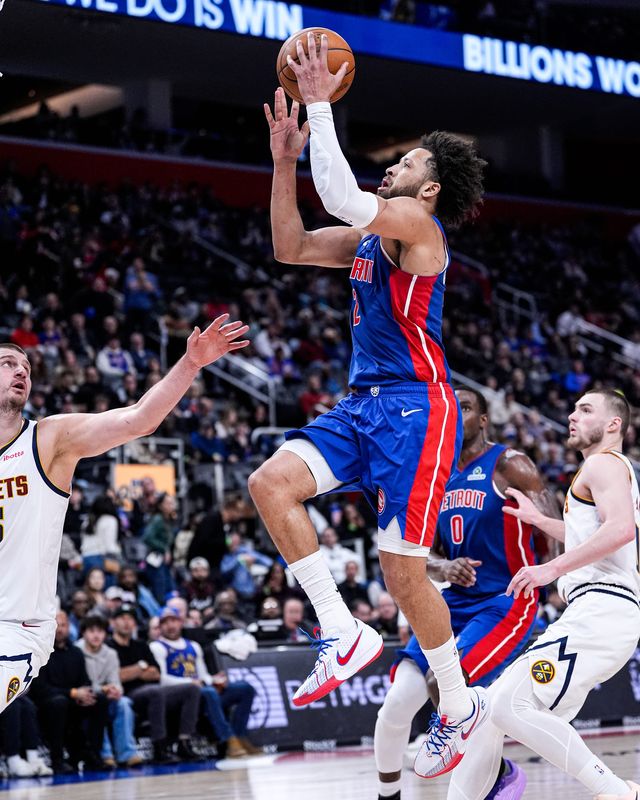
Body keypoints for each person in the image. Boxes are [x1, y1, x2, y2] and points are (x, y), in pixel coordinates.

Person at [249, 34, 487, 777]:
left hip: (419, 407)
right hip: (363, 404)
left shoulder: (420, 228)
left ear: (429, 190)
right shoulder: (367, 239)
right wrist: (284, 162)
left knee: (403, 573)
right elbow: (290, 245)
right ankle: (340, 628)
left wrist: (320, 104)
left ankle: (458, 705)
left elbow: (345, 197)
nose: (394, 166)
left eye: (408, 163)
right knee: (269, 483)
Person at [0, 315, 247, 717]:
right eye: (8, 363)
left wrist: (190, 364)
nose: (21, 371)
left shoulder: (49, 439)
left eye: (26, 366)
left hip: (16, 628)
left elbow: (139, 419)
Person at [448, 389, 640, 800]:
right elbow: (593, 534)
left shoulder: (603, 463)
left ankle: (616, 791)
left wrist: (551, 568)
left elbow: (621, 529)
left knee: (506, 705)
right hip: (600, 613)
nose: (572, 415)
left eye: (585, 409)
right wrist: (539, 520)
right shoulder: (604, 470)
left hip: (601, 610)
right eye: (573, 407)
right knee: (492, 711)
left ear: (613, 425)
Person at [376, 386, 557, 796]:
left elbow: (550, 526)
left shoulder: (510, 465)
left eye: (467, 407)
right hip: (454, 600)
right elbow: (421, 554)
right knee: (397, 702)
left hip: (505, 599)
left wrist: (555, 579)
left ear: (483, 420)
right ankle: (388, 794)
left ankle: (499, 773)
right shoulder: (435, 479)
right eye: (450, 408)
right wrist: (444, 567)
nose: (457, 414)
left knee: (444, 683)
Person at [150, 606, 256, 758]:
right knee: (209, 692)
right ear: (160, 626)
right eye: (165, 622)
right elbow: (162, 679)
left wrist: (214, 680)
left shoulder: (193, 646)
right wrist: (190, 683)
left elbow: (203, 675)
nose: (170, 625)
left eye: (173, 621)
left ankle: (240, 736)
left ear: (181, 622)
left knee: (245, 689)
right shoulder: (157, 647)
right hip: (178, 697)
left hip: (201, 692)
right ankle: (228, 739)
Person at [107, 604, 202, 764]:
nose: (126, 622)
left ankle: (184, 743)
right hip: (125, 693)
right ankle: (160, 747)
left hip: (150, 690)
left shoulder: (141, 645)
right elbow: (116, 676)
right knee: (155, 691)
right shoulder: (109, 647)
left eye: (130, 619)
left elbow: (156, 674)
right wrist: (141, 668)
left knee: (192, 689)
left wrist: (131, 672)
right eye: (122, 618)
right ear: (113, 622)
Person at [29, 610, 109, 774]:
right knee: (59, 703)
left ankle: (93, 754)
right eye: (56, 625)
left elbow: (84, 681)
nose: (60, 629)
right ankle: (57, 759)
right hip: (46, 702)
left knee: (99, 699)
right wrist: (72, 693)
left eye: (63, 625)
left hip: (72, 700)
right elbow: (39, 688)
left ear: (69, 627)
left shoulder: (76, 652)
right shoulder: (39, 652)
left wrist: (84, 694)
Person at [76, 614, 142, 768]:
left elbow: (115, 682)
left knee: (124, 703)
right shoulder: (76, 651)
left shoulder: (111, 654)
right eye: (92, 631)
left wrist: (115, 691)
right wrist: (103, 690)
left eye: (100, 631)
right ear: (84, 633)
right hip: (84, 699)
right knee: (99, 703)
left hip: (105, 696)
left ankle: (127, 754)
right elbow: (81, 684)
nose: (96, 635)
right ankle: (105, 754)